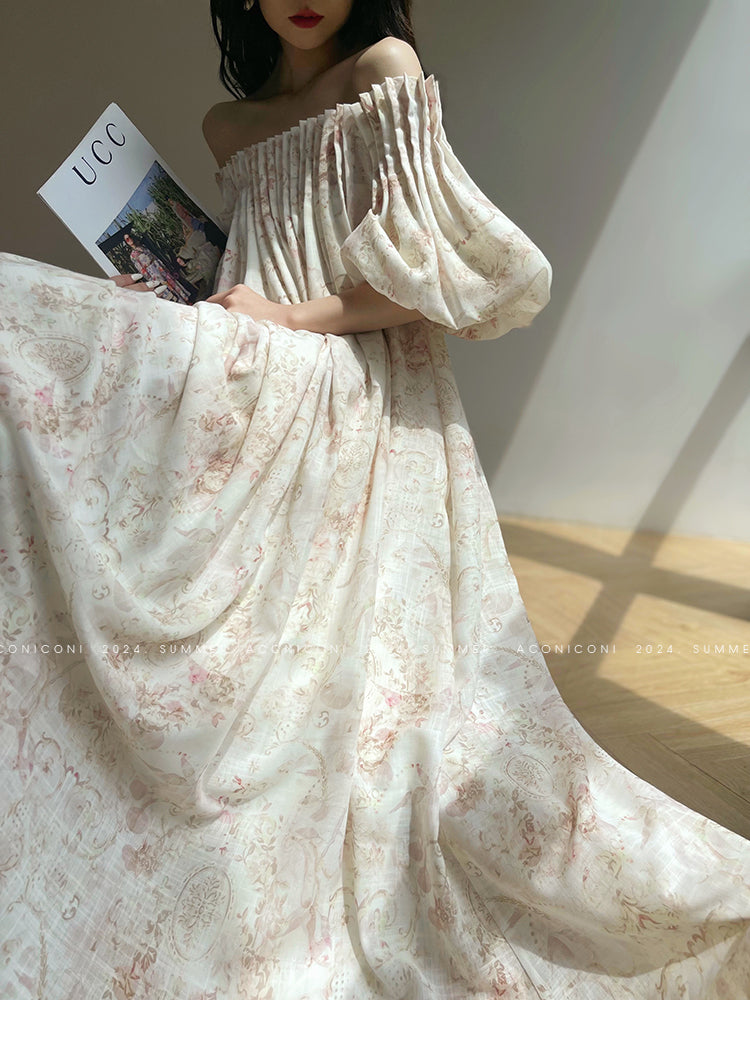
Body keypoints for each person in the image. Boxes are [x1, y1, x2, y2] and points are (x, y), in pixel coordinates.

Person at [0, 0, 749, 1002]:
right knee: (65, 338)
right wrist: (186, 293)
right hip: (261, 371)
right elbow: (244, 277)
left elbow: (427, 279)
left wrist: (282, 317)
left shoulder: (382, 70)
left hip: (353, 380)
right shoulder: (229, 126)